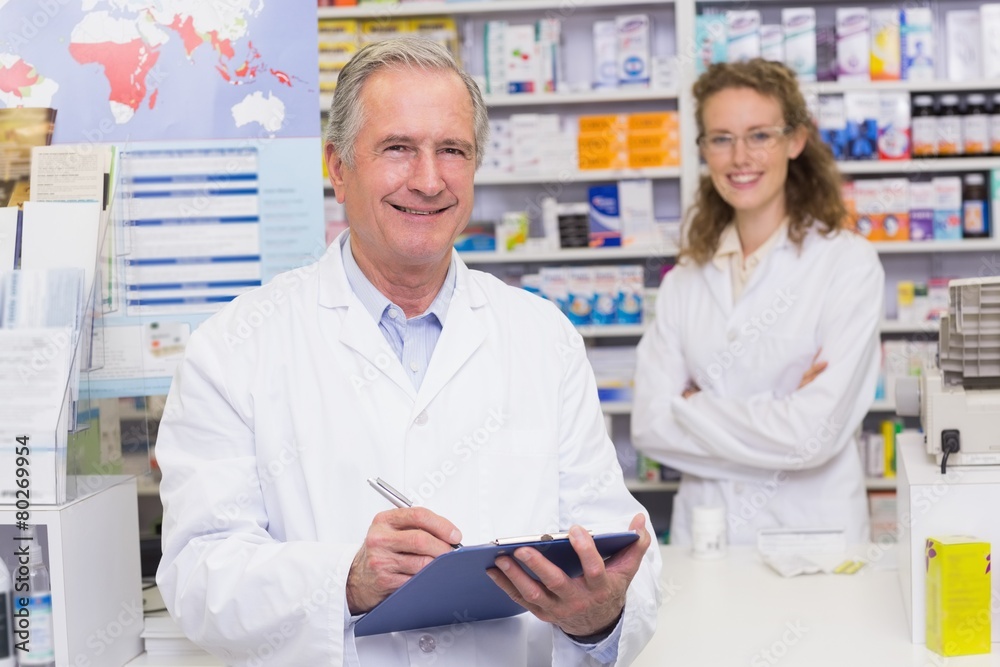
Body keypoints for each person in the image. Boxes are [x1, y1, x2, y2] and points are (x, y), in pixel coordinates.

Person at [155, 36, 661, 666]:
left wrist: (599, 617)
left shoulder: (543, 337)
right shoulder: (233, 348)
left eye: (452, 150)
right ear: (338, 167)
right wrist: (347, 579)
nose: (428, 181)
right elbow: (198, 574)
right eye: (398, 149)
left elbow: (618, 553)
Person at [631, 59, 884, 547]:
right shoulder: (686, 278)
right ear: (705, 150)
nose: (739, 157)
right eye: (721, 138)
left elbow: (813, 435)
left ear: (795, 140)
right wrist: (782, 414)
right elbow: (649, 426)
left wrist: (692, 406)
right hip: (707, 537)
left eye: (759, 135)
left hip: (812, 540)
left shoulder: (847, 264)